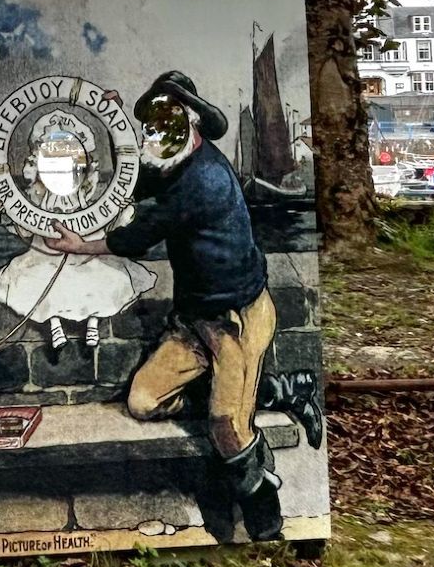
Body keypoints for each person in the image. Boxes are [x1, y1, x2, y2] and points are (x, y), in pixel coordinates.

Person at [48, 70, 323, 542]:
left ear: (191, 121)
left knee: (226, 427)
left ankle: (266, 522)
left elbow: (139, 233)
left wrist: (80, 245)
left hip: (238, 322)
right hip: (196, 323)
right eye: (151, 125)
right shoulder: (176, 164)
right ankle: (279, 390)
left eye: (166, 122)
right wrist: (114, 128)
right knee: (142, 401)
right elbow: (139, 180)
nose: (155, 133)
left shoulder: (205, 181)